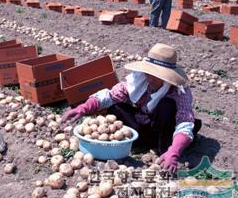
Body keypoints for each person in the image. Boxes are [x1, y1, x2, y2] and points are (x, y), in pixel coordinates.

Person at [61, 43, 201, 174]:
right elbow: (110, 95)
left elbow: (183, 123)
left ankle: (165, 150)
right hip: (145, 123)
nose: (150, 78)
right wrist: (83, 108)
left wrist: (174, 152)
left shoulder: (179, 92)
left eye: (156, 75)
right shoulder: (139, 80)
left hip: (166, 129)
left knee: (167, 106)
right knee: (115, 106)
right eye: (149, 72)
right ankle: (143, 142)